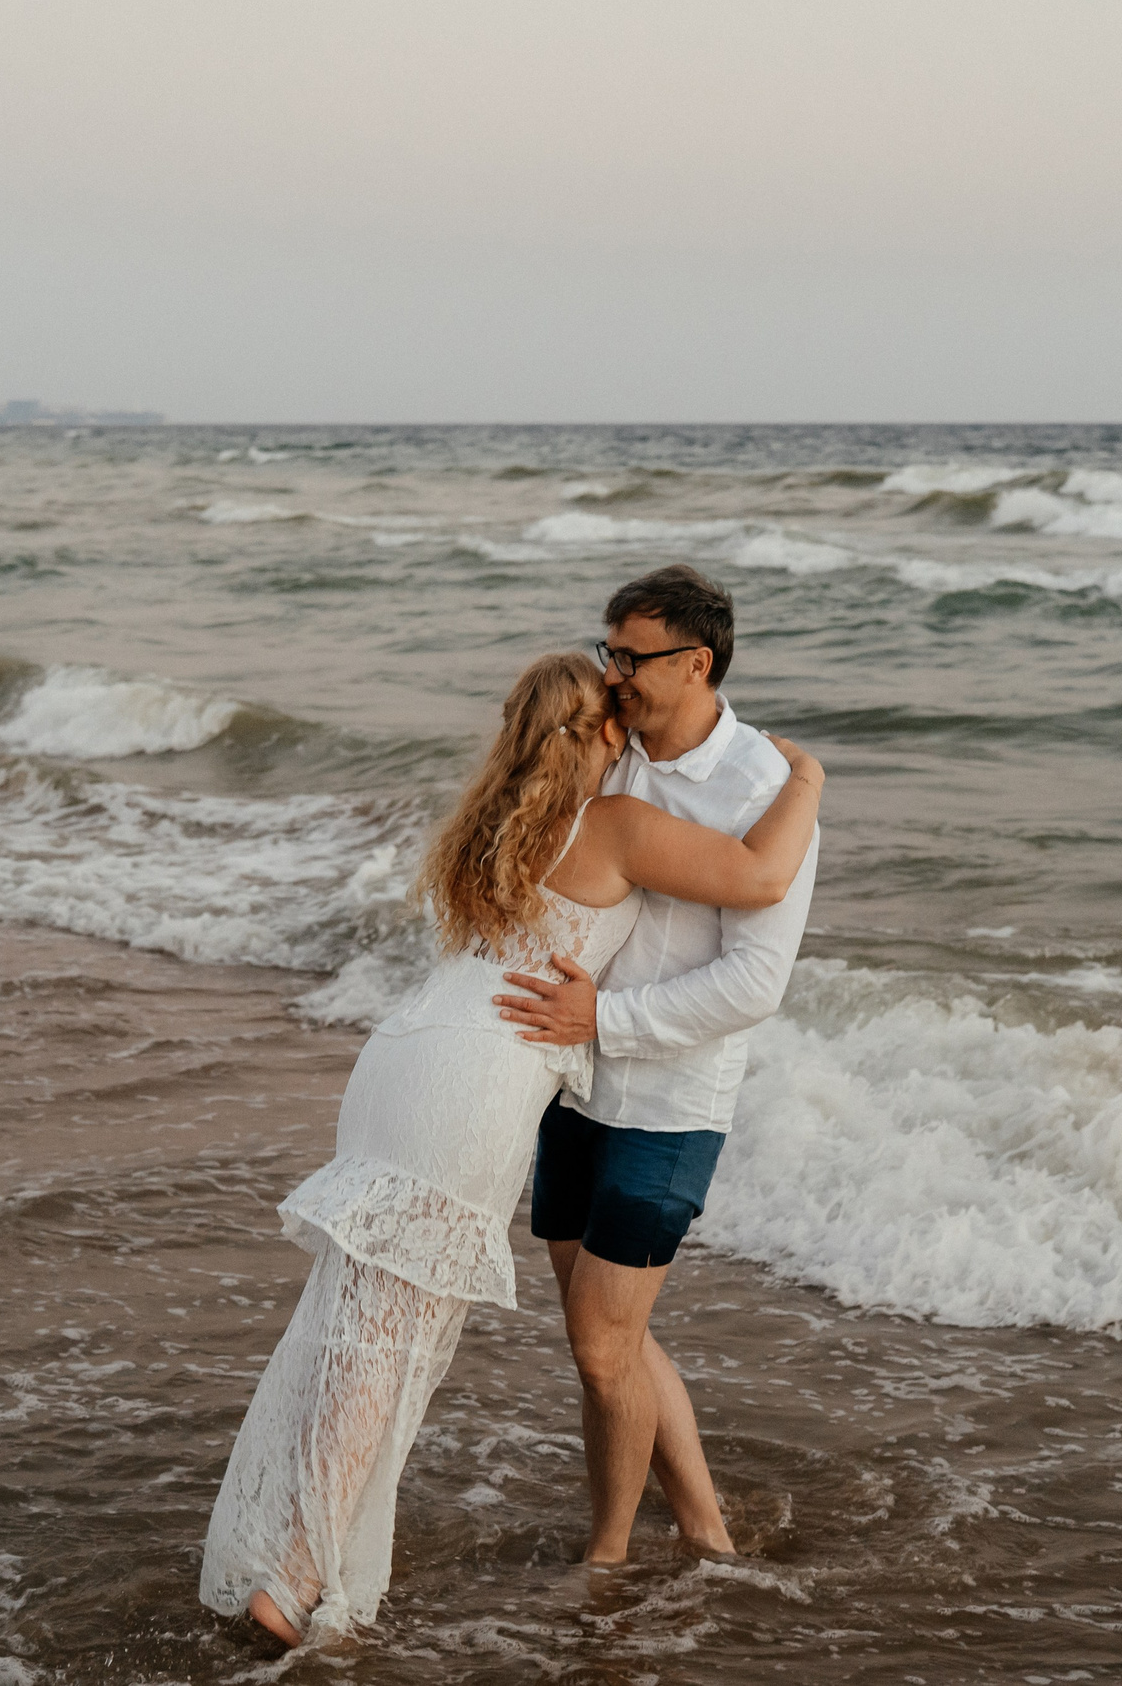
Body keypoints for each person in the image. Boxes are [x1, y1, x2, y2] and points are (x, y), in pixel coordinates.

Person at [199, 649, 824, 1646]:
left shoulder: (490, 821)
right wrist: (807, 780)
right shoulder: (611, 824)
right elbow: (760, 874)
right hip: (472, 1092)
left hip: (398, 1067)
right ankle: (295, 1577)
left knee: (350, 1326)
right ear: (599, 735)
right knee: (386, 1347)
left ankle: (286, 1551)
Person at [494, 564, 818, 1566]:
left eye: (633, 657)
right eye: (608, 650)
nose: (615, 673)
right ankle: (706, 1527)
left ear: (699, 661)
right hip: (570, 1083)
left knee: (600, 1345)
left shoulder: (760, 788)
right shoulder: (608, 749)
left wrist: (604, 1019)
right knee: (607, 1342)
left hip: (670, 1104)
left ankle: (605, 1558)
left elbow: (751, 986)